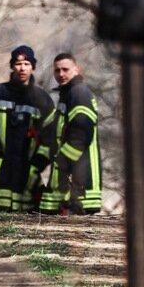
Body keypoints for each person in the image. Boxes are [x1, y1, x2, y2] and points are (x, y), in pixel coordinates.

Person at [0, 45, 57, 212]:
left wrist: (37, 164)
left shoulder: (43, 101)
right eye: (18, 63)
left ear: (33, 67)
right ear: (12, 66)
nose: (22, 68)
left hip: (27, 179)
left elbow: (50, 138)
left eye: (27, 63)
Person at [39, 52, 102, 215]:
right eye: (57, 71)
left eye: (65, 69)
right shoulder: (67, 95)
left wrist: (63, 160)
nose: (61, 74)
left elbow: (82, 134)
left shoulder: (78, 93)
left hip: (80, 176)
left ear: (76, 70)